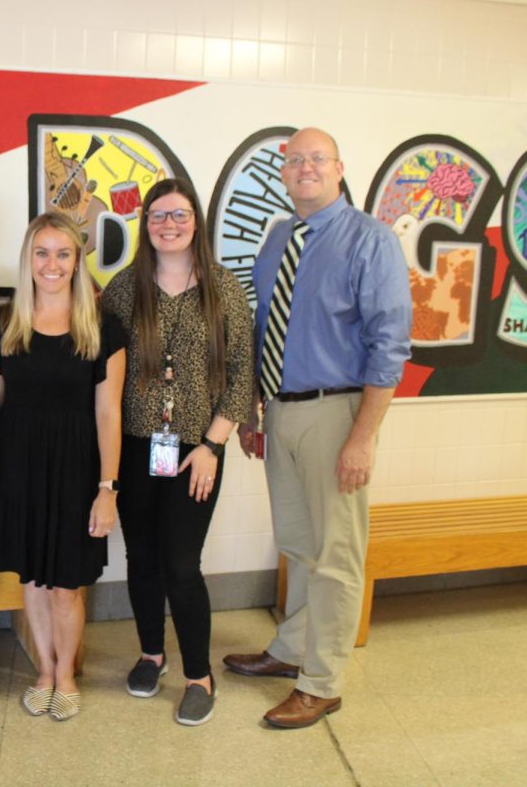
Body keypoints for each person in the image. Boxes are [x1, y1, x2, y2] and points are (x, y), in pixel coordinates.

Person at [226, 127, 411, 729]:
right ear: (284, 173)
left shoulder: (370, 240)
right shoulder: (279, 237)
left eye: (317, 159)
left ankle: (323, 682)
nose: (305, 168)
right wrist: (255, 409)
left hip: (338, 413)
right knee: (300, 546)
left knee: (335, 555)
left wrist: (362, 437)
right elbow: (263, 330)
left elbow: (390, 345)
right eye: (295, 160)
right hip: (280, 411)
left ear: (338, 169)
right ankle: (290, 651)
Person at [100, 178, 254, 726]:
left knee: (181, 565)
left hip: (197, 449)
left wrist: (213, 444)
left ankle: (198, 675)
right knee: (140, 559)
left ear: (197, 221)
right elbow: (105, 374)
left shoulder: (222, 288)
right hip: (138, 446)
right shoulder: (123, 289)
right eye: (159, 215)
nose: (169, 224)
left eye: (180, 215)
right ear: (146, 223)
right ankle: (150, 654)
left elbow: (241, 374)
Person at [0, 211, 126, 721]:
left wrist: (107, 488)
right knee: (34, 582)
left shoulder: (102, 327)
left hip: (77, 468)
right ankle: (44, 671)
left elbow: (109, 412)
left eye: (63, 253)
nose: (52, 264)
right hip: (20, 466)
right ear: (27, 260)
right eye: (41, 253)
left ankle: (66, 676)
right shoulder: (0, 323)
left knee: (66, 584)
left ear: (77, 261)